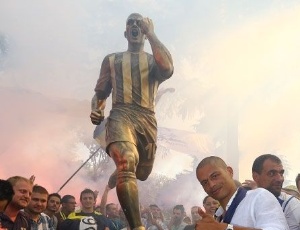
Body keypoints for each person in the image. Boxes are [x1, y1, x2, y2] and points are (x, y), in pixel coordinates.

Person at [90, 12, 174, 230]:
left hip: (146, 119)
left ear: (144, 33)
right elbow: (100, 94)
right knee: (127, 160)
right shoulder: (112, 60)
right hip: (120, 114)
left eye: (140, 24)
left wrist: (152, 34)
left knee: (142, 173)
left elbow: (168, 69)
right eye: (131, 24)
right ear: (125, 32)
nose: (136, 26)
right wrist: (96, 110)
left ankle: (122, 169)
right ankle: (137, 227)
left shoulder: (152, 60)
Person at [195, 156, 289, 230]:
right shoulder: (218, 216)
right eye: (205, 182)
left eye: (215, 176)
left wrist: (223, 228)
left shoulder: (259, 197)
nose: (211, 185)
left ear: (229, 172)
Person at [252, 154, 300, 230]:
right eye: (271, 173)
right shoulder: (245, 201)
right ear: (256, 177)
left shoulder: (291, 204)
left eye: (281, 173)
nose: (280, 179)